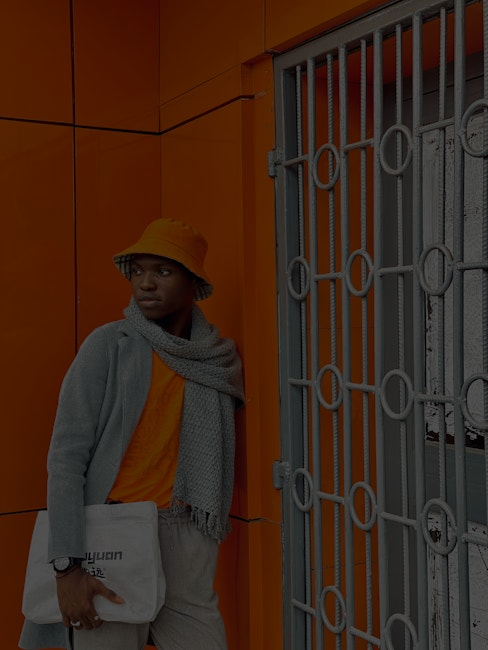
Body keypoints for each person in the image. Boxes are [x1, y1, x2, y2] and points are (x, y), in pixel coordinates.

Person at [20, 218, 244, 650]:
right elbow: (66, 459)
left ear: (193, 282)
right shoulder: (107, 346)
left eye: (163, 271)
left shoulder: (216, 359)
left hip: (187, 531)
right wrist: (67, 566)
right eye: (138, 270)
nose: (145, 283)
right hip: (111, 529)